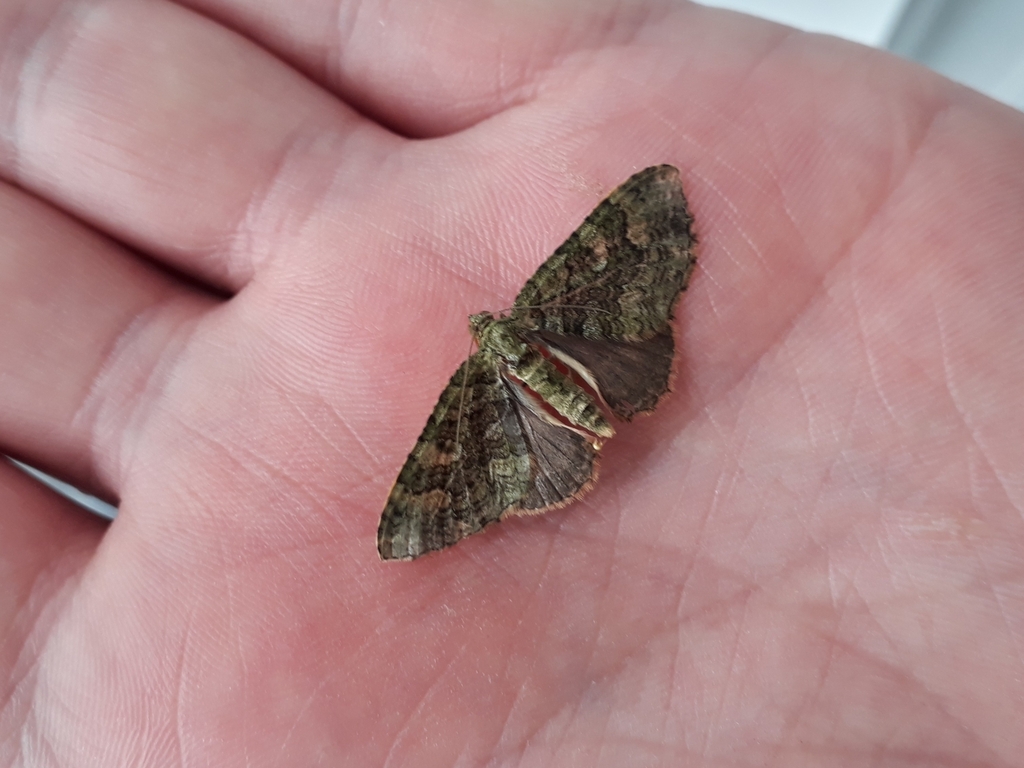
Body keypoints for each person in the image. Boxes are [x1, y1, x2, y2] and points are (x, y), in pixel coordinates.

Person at [2, 1, 1022, 764]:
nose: (488, 328)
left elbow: (655, 199)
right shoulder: (544, 305)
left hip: (562, 408)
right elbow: (647, 214)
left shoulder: (469, 399)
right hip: (603, 364)